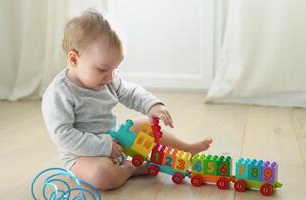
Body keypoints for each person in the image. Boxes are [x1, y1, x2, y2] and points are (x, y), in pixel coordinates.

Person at [42, 9, 212, 190]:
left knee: (145, 125)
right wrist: (104, 147)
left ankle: (186, 149)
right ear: (74, 59)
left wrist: (151, 105)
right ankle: (132, 167)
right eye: (102, 69)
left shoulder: (107, 79)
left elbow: (130, 92)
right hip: (82, 157)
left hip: (116, 141)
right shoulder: (59, 93)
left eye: (115, 69)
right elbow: (63, 135)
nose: (110, 77)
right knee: (102, 176)